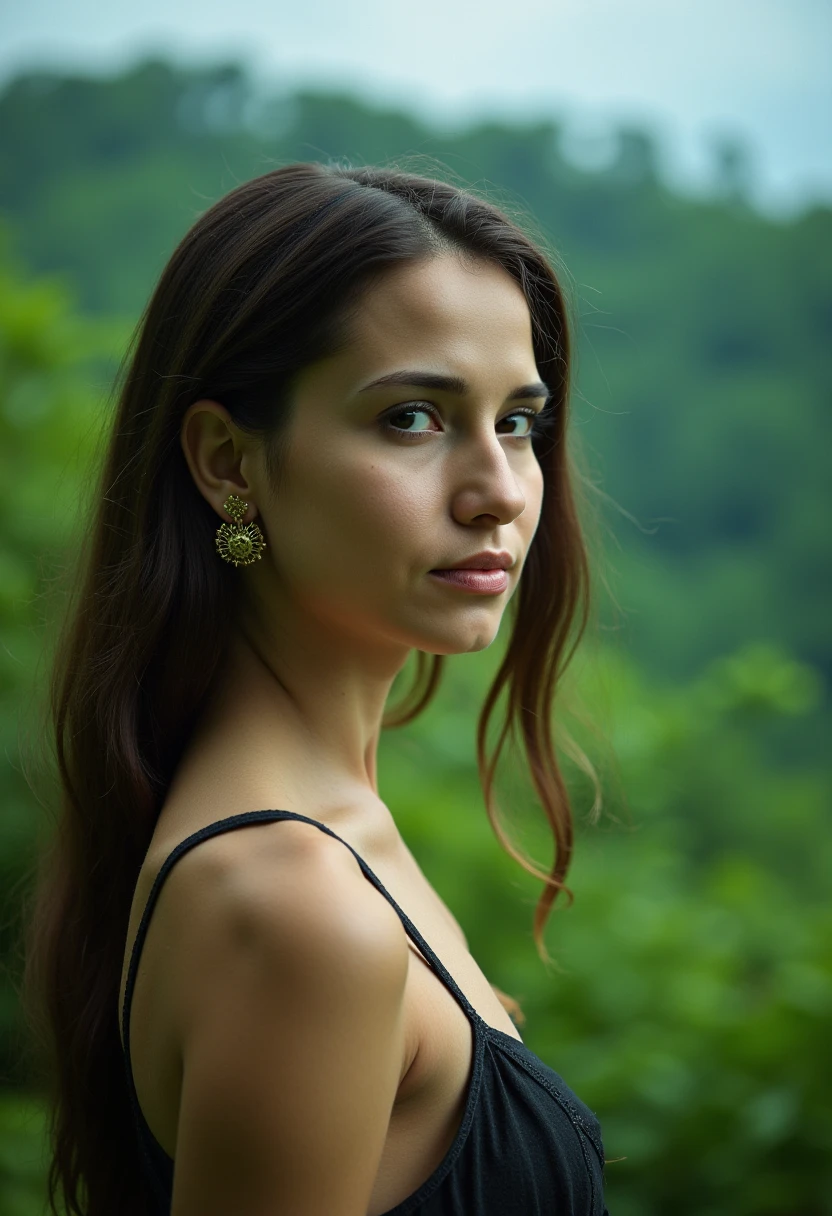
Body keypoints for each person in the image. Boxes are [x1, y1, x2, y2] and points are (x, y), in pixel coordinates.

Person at [22, 161, 610, 1214]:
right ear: (227, 461)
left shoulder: (322, 838)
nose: (498, 492)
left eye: (516, 420)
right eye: (412, 419)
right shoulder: (298, 903)